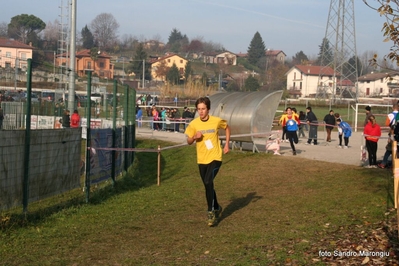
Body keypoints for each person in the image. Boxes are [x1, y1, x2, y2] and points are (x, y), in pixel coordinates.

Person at [184, 97, 231, 227]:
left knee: (208, 181)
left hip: (215, 157)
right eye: (199, 109)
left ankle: (211, 213)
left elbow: (227, 128)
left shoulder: (216, 121)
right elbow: (188, 142)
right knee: (207, 185)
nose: (201, 111)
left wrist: (227, 144)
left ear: (208, 109)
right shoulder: (194, 124)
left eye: (203, 109)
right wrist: (194, 137)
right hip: (202, 159)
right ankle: (216, 206)